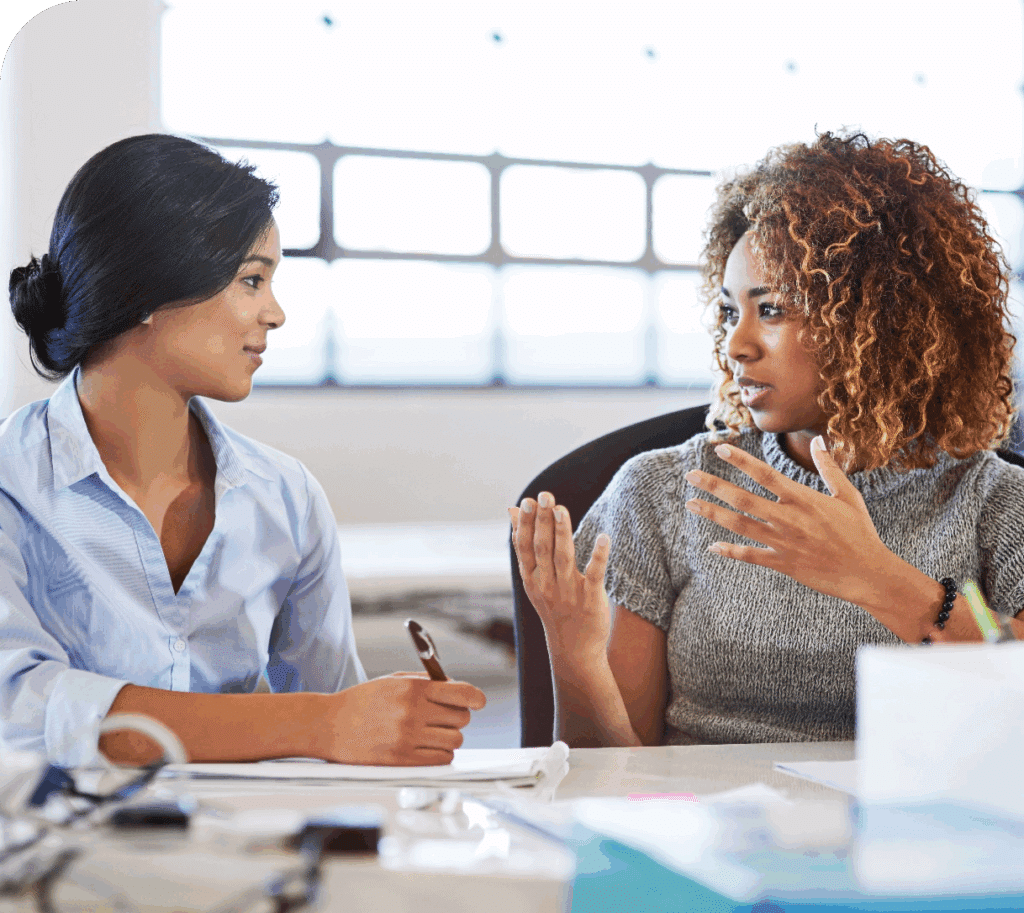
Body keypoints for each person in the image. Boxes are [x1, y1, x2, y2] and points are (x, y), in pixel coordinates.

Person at [511, 131, 1024, 748]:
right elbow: (617, 778)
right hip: (708, 836)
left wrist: (878, 579)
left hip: (922, 835)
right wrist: (573, 652)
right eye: (730, 311)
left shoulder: (998, 505)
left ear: (882, 322)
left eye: (773, 309)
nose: (736, 344)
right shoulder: (663, 493)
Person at [1, 134, 485, 767]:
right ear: (148, 288)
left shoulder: (287, 496)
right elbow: (21, 711)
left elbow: (338, 715)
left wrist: (382, 725)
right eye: (251, 280)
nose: (276, 313)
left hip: (253, 853)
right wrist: (312, 722)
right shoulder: (12, 483)